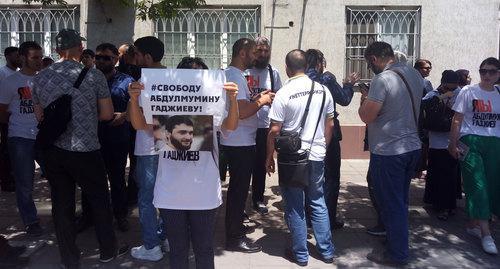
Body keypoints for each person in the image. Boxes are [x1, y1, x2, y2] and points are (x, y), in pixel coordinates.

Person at [130, 56, 240, 269]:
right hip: (171, 195)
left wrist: (233, 99)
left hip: (204, 194)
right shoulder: (164, 110)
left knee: (204, 250)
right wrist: (134, 99)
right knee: (178, 252)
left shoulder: (212, 108)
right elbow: (139, 124)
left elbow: (231, 126)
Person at [32, 29, 128, 268]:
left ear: (56, 50)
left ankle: (69, 258)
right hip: (85, 149)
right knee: (99, 200)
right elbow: (106, 115)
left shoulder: (40, 77)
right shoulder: (93, 75)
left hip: (53, 151)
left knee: (61, 204)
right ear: (78, 48)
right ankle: (107, 250)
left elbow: (40, 116)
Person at [266, 49, 335, 266]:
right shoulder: (324, 90)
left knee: (295, 205)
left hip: (292, 158)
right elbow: (330, 124)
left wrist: (269, 156)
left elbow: (274, 130)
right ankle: (327, 251)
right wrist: (322, 147)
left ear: (287, 68)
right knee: (318, 201)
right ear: (306, 66)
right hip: (317, 155)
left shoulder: (284, 92)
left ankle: (301, 254)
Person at [358, 41, 423, 266]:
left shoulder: (382, 79)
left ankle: (397, 254)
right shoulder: (414, 73)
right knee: (400, 201)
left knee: (391, 203)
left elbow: (367, 116)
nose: (370, 68)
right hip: (412, 147)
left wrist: (363, 99)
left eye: (369, 63)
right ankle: (397, 242)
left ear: (374, 59)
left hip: (389, 151)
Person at [221, 38, 274, 253]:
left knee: (238, 190)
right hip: (239, 142)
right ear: (243, 53)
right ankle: (234, 238)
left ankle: (235, 230)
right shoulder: (234, 74)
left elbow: (241, 105)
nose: (257, 56)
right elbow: (242, 112)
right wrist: (261, 102)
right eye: (253, 52)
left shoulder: (235, 74)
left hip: (239, 140)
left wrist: (256, 98)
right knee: (238, 191)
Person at [448, 57, 500, 255]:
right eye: (483, 71)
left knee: (493, 184)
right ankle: (486, 233)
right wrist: (452, 143)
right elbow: (457, 119)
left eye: (492, 71)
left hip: (495, 143)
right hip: (471, 141)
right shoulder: (468, 91)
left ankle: (473, 224)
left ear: (498, 73)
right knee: (477, 184)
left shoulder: (499, 93)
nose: (486, 75)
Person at [305, 49, 359, 230]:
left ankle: (308, 216)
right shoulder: (327, 78)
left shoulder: (300, 80)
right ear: (319, 63)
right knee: (331, 176)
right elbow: (344, 99)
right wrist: (349, 85)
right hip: (327, 132)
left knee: (307, 176)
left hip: (304, 133)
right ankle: (327, 218)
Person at [127, 36, 167, 262]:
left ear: (148, 57)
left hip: (149, 147)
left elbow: (139, 121)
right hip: (171, 146)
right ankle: (166, 236)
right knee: (168, 195)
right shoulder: (174, 78)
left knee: (147, 198)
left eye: (137, 54)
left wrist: (131, 102)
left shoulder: (143, 83)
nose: (134, 59)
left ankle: (152, 246)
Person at [0, 41, 43, 236]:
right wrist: (20, 124)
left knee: (58, 177)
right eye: (34, 57)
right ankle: (31, 221)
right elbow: (2, 113)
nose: (38, 61)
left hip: (44, 137)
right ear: (23, 57)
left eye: (40, 57)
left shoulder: (44, 80)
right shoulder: (10, 82)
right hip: (20, 137)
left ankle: (62, 217)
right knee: (25, 183)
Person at [96, 42, 135, 231]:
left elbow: (136, 104)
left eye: (106, 58)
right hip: (93, 138)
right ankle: (93, 217)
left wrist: (125, 116)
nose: (101, 61)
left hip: (117, 137)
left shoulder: (126, 81)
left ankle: (120, 215)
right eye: (98, 57)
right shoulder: (89, 78)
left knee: (117, 179)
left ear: (116, 59)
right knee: (94, 180)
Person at [245, 36, 282, 215]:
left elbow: (280, 97)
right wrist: (257, 100)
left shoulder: (273, 72)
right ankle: (240, 201)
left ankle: (258, 199)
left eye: (266, 51)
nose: (262, 54)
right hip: (245, 126)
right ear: (253, 51)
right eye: (259, 50)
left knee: (261, 164)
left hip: (264, 126)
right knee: (244, 166)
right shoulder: (245, 72)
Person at [422, 70, 461, 220]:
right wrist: (442, 97)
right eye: (447, 87)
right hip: (435, 141)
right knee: (435, 174)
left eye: (453, 87)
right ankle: (435, 203)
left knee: (448, 176)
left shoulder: (460, 94)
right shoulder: (434, 93)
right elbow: (423, 104)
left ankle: (448, 207)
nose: (451, 90)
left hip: (451, 141)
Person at [0, 46, 21, 192]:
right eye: (16, 56)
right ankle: (6, 180)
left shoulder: (19, 74)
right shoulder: (2, 73)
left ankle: (13, 178)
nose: (18, 58)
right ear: (7, 57)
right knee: (5, 150)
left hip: (16, 117)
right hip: (5, 116)